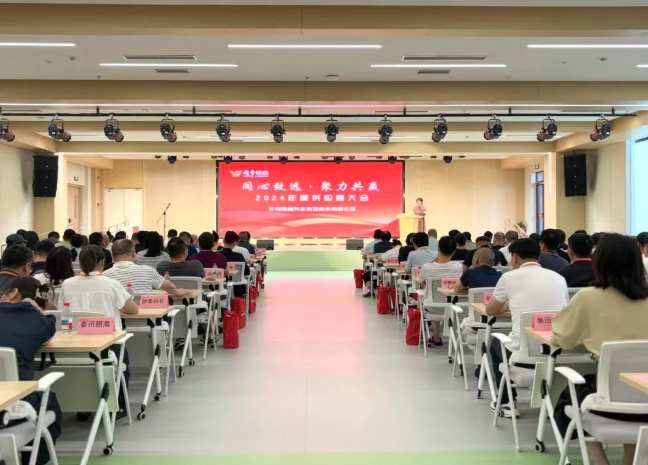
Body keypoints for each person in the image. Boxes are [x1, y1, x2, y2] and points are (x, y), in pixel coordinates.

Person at [552, 233, 648, 465]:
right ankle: (629, 459)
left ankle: (600, 460)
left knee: (566, 401)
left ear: (600, 262)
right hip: (645, 394)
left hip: (605, 399)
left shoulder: (588, 297)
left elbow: (561, 338)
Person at [485, 238, 569, 417]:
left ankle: (507, 402)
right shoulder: (559, 278)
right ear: (539, 256)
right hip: (557, 354)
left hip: (523, 356)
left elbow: (490, 310)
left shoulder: (509, 278)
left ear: (515, 257)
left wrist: (509, 304)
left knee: (495, 344)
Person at [0, 277, 61, 465]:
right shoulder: (38, 320)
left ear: (13, 292)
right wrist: (38, 311)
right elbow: (48, 329)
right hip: (10, 410)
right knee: (49, 401)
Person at [416, 235, 463, 345]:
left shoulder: (427, 267)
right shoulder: (458, 266)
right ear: (454, 252)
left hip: (432, 308)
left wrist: (435, 258)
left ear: (438, 249)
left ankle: (436, 336)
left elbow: (420, 280)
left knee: (431, 296)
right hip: (453, 306)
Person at [105, 239, 188, 296]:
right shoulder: (147, 270)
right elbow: (168, 286)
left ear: (112, 256)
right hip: (147, 316)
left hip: (117, 316)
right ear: (133, 253)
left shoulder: (105, 276)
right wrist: (177, 291)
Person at [218, 231, 250, 297]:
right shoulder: (239, 256)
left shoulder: (217, 255)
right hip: (237, 288)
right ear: (235, 242)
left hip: (220, 288)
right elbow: (247, 272)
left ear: (224, 241)